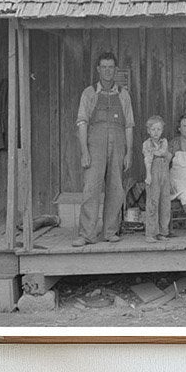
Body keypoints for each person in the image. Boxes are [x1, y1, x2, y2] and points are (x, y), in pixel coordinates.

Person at [72, 52, 134, 247]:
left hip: (118, 145)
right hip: (95, 146)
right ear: (98, 69)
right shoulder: (89, 93)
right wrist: (84, 151)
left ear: (115, 70)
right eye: (104, 67)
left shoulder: (123, 94)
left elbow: (129, 125)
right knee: (91, 189)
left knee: (116, 189)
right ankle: (87, 234)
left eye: (111, 67)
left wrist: (129, 152)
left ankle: (110, 231)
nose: (107, 71)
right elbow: (82, 123)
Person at [142, 115, 172, 242]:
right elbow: (148, 160)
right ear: (148, 130)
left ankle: (162, 231)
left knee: (165, 202)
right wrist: (148, 175)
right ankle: (150, 233)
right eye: (153, 129)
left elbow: (167, 155)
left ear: (162, 130)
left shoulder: (164, 142)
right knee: (153, 203)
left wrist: (161, 153)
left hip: (164, 174)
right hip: (153, 173)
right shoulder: (146, 144)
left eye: (158, 129)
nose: (156, 132)